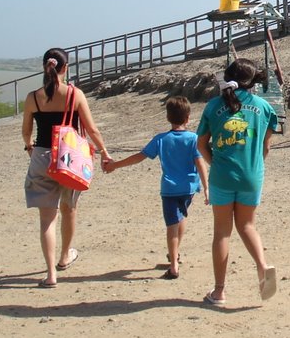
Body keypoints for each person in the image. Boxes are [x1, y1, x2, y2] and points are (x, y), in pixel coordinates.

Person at [22, 48, 112, 288]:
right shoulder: (75, 94)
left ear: (45, 67)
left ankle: (51, 274)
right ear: (66, 68)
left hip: (41, 156)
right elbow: (91, 129)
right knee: (69, 208)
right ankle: (65, 257)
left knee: (46, 219)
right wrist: (104, 152)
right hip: (68, 158)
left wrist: (29, 147)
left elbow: (26, 131)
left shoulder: (33, 97)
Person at [197, 58, 278, 306]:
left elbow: (201, 144)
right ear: (253, 81)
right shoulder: (265, 108)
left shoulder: (213, 106)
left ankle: (219, 292)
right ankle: (263, 266)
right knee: (248, 226)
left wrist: (215, 164)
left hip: (222, 176)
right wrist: (254, 164)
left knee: (222, 232)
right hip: (252, 176)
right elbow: (265, 147)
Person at [104, 96, 209, 279]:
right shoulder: (194, 139)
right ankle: (175, 252)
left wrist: (115, 165)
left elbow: (140, 156)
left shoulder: (161, 139)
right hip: (189, 188)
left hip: (169, 189)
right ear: (188, 118)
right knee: (181, 216)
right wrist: (207, 187)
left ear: (168, 117)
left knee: (171, 225)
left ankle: (174, 265)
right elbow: (200, 163)